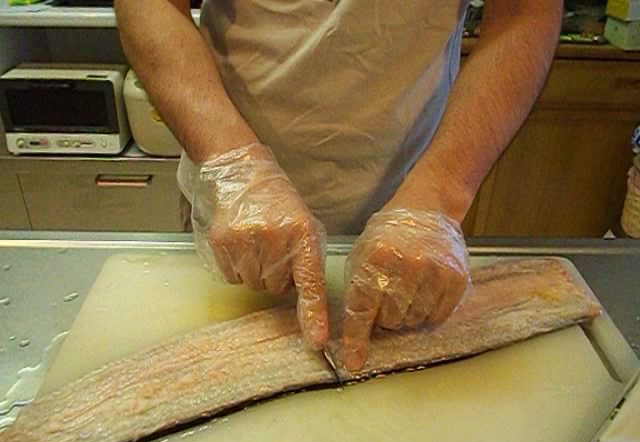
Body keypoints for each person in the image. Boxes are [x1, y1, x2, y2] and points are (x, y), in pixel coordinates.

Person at [114, 0, 562, 371]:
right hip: (232, 199)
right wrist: (234, 167)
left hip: (414, 197)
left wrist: (439, 194)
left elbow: (525, 13)